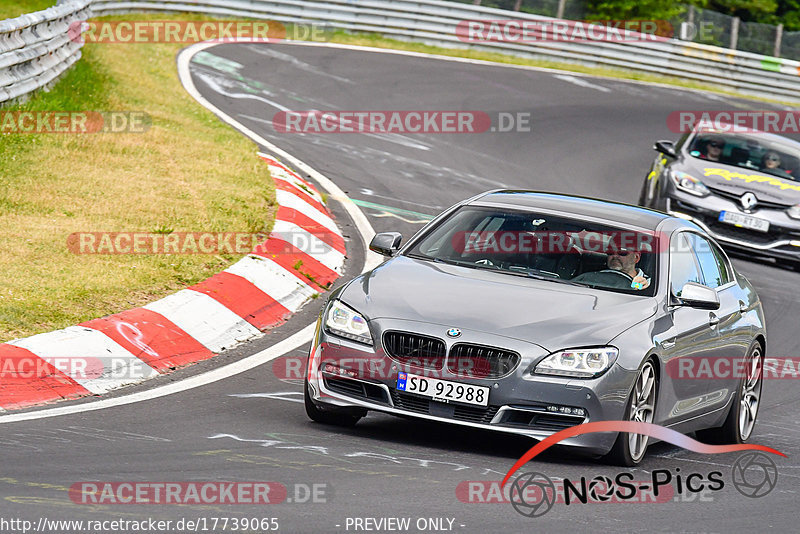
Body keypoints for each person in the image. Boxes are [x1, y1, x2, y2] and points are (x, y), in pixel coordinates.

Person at [572, 249, 650, 290]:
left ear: (636, 258)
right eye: (610, 252)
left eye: (622, 252)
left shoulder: (651, 283)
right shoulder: (589, 278)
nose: (615, 256)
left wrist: (639, 286)